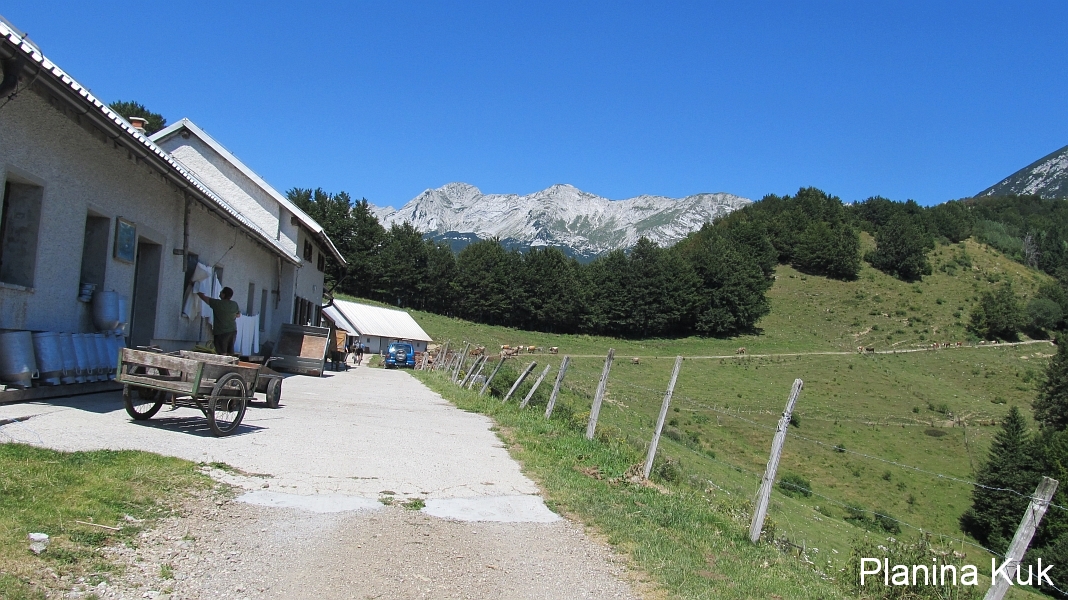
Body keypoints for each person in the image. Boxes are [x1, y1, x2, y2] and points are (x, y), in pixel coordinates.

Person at [197, 287, 241, 355]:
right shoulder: (234, 304)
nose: (220, 292)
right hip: (232, 331)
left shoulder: (217, 304)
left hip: (221, 333)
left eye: (221, 292)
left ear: (223, 294)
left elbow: (203, 297)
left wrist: (196, 288)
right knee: (229, 353)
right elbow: (238, 315)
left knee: (222, 354)